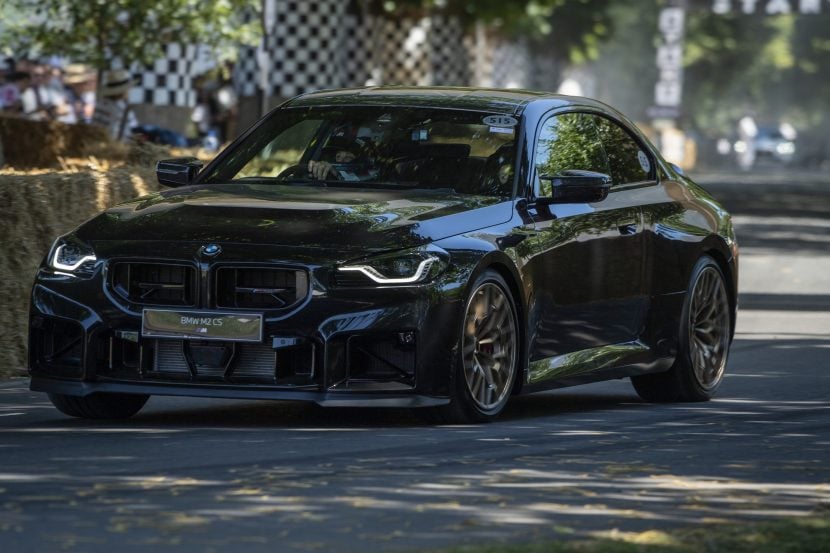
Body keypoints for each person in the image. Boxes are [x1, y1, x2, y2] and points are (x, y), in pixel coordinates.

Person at [92, 69, 139, 141]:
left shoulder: (100, 103)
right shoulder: (122, 109)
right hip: (115, 146)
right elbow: (132, 130)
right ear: (123, 91)